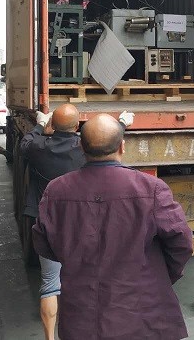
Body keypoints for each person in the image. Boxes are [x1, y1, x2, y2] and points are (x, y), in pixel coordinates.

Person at [33, 114, 193, 340]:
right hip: (144, 317)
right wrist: (163, 276)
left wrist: (76, 263)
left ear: (81, 147)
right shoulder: (152, 189)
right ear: (122, 147)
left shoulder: (56, 190)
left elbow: (43, 243)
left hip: (82, 318)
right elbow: (181, 242)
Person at [21, 105, 135, 340]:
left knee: (50, 284)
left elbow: (26, 142)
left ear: (53, 125)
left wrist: (40, 124)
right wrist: (122, 123)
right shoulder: (82, 148)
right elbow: (104, 141)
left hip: (52, 226)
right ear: (76, 128)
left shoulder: (38, 148)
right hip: (83, 223)